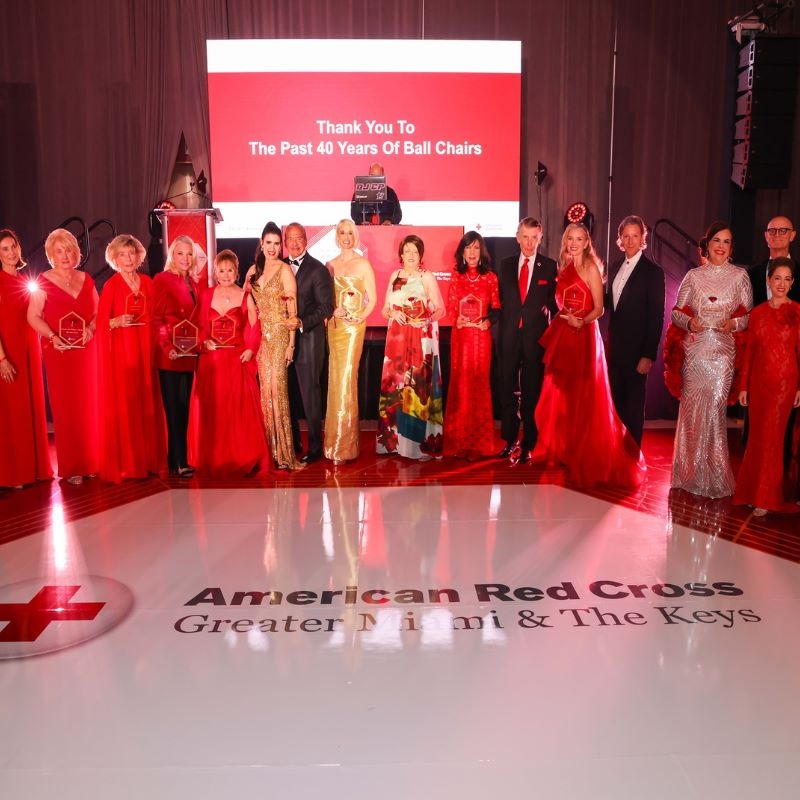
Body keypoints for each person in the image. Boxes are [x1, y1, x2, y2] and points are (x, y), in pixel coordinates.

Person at [534, 223, 644, 488]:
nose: (573, 242)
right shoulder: (563, 268)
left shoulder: (592, 268)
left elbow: (599, 309)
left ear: (586, 242)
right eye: (570, 238)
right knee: (563, 397)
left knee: (585, 397)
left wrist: (581, 322)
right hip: (563, 336)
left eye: (579, 238)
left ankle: (584, 453)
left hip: (584, 337)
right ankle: (566, 450)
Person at [669, 221, 753, 498]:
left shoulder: (740, 277)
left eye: (727, 241)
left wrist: (735, 324)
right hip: (695, 351)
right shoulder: (693, 276)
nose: (721, 246)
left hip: (723, 353)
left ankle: (713, 476)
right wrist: (690, 321)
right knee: (692, 413)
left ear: (731, 248)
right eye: (717, 240)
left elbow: (750, 317)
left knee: (715, 411)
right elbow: (675, 313)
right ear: (707, 245)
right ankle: (689, 474)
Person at [27, 228, 100, 484]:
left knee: (90, 404)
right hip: (59, 352)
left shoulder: (86, 279)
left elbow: (98, 313)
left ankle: (92, 462)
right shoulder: (43, 281)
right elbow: (32, 316)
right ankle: (72, 468)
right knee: (67, 408)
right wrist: (52, 337)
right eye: (59, 251)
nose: (65, 255)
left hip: (86, 351)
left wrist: (91, 329)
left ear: (76, 252)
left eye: (69, 249)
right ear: (51, 255)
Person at [191, 250, 268, 477]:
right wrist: (203, 342)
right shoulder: (206, 295)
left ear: (237, 272)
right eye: (221, 271)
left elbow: (254, 326)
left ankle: (240, 456)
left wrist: (250, 349)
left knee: (236, 409)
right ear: (215, 272)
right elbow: (197, 324)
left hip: (235, 361)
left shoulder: (246, 296)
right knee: (214, 410)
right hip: (212, 362)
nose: (225, 275)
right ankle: (214, 458)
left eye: (230, 270)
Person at [733, 258, 800, 516]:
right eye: (777, 278)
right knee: (756, 439)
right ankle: (750, 492)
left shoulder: (797, 312)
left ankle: (766, 497)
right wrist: (744, 386)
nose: (782, 284)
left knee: (772, 439)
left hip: (785, 384)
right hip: (759, 383)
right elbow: (750, 352)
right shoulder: (758, 313)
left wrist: (799, 388)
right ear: (769, 281)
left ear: (792, 283)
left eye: (787, 279)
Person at [96, 234, 165, 482]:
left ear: (138, 256)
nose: (127, 259)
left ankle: (148, 461)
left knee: (147, 404)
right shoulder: (111, 285)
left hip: (146, 350)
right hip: (124, 353)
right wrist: (115, 321)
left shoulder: (147, 282)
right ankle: (130, 464)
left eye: (131, 254)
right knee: (128, 407)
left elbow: (157, 316)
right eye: (122, 255)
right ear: (114, 258)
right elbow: (100, 323)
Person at [495, 217, 558, 463]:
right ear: (517, 237)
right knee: (507, 392)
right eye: (525, 237)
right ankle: (510, 441)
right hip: (508, 339)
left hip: (536, 341)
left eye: (534, 237)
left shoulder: (550, 266)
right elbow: (496, 301)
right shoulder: (505, 265)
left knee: (532, 394)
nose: (529, 243)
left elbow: (555, 304)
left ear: (540, 238)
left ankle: (529, 444)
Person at [376, 234, 444, 460]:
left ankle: (416, 445)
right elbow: (385, 309)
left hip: (419, 338)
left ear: (421, 255)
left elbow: (440, 310)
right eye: (407, 251)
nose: (411, 256)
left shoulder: (427, 277)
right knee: (395, 389)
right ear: (401, 255)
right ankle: (393, 443)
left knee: (417, 389)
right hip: (397, 338)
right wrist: (393, 312)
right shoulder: (395, 276)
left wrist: (425, 320)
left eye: (415, 251)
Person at [605, 215, 665, 447]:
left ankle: (631, 456)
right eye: (626, 236)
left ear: (643, 238)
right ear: (620, 238)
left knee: (633, 408)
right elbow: (611, 305)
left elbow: (656, 317)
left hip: (638, 353)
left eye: (635, 236)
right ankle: (617, 455)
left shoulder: (653, 272)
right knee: (617, 405)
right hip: (615, 349)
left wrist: (648, 355)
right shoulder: (615, 266)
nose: (630, 241)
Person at [247, 221, 301, 470]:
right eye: (268, 243)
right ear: (261, 243)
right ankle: (266, 450)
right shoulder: (253, 271)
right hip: (260, 339)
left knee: (278, 391)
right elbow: (248, 307)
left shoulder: (285, 270)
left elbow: (293, 309)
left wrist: (291, 345)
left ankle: (284, 453)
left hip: (280, 335)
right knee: (263, 394)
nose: (272, 247)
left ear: (281, 246)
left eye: (277, 243)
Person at [0, 228, 52, 488]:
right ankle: (15, 474)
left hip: (30, 349)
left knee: (31, 407)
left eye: (13, 247)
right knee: (12, 412)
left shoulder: (26, 281)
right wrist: (1, 359)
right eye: (5, 249)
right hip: (7, 351)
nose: (11, 253)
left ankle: (34, 470)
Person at [443, 231, 500, 459]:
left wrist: (487, 322)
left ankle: (478, 443)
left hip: (481, 340)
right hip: (461, 338)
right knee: (461, 385)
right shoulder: (456, 275)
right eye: (468, 248)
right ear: (462, 252)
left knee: (478, 385)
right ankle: (459, 441)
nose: (473, 253)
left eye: (476, 248)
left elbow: (496, 309)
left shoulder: (491, 278)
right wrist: (455, 319)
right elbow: (450, 308)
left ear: (481, 251)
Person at [324, 219, 376, 464]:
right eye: (342, 232)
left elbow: (372, 300)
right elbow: (326, 302)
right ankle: (335, 444)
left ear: (355, 235)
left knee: (347, 378)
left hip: (354, 330)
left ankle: (345, 447)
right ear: (336, 236)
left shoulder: (363, 263)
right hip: (334, 329)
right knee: (335, 381)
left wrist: (359, 318)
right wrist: (333, 310)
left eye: (350, 233)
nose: (346, 237)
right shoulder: (330, 265)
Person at [283, 222, 334, 464]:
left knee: (310, 395)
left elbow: (326, 306)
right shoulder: (279, 267)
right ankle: (292, 443)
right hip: (282, 343)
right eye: (289, 239)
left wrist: (301, 322)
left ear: (306, 239)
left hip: (310, 340)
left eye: (298, 238)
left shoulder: (318, 269)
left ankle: (314, 447)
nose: (294, 243)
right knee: (286, 395)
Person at [152, 235, 202, 478]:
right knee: (173, 409)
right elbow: (157, 318)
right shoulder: (162, 280)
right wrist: (165, 346)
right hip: (170, 355)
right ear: (172, 255)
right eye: (180, 253)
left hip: (189, 354)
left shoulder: (195, 282)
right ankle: (179, 461)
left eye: (189, 253)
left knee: (183, 408)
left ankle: (177, 459)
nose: (185, 258)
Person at [747, 215, 800, 305]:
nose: (777, 234)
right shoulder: (751, 274)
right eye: (772, 231)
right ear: (766, 236)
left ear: (792, 235)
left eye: (783, 230)